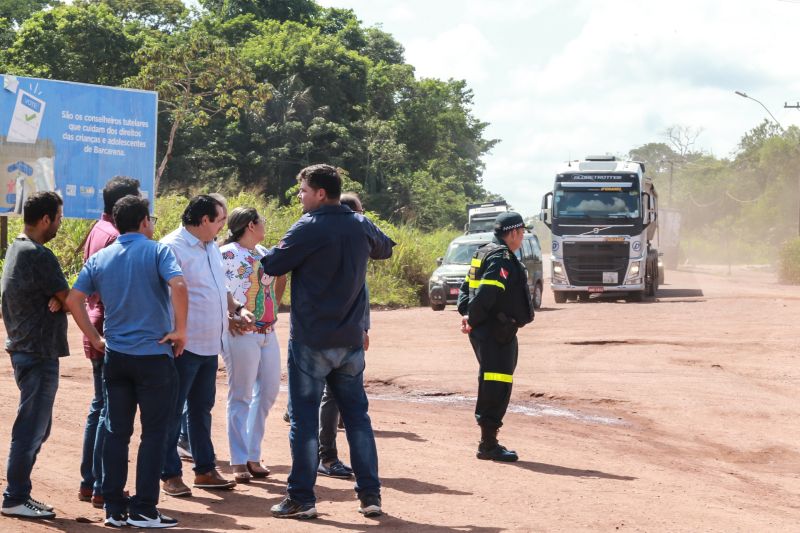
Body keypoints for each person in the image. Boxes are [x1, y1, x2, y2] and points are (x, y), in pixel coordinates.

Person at [261, 164, 395, 519]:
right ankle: (370, 496)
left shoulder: (306, 227)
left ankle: (302, 498)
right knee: (357, 419)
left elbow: (273, 265)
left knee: (304, 421)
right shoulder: (359, 223)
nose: (300, 197)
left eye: (304, 191)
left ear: (321, 193)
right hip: (350, 340)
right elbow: (385, 250)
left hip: (312, 340)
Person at [66, 195, 188, 528]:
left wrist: (94, 338)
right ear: (145, 221)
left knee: (116, 432)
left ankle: (114, 508)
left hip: (116, 357)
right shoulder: (158, 251)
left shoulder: (101, 257)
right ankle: (145, 509)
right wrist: (180, 330)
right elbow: (178, 284)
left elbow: (74, 299)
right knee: (153, 434)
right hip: (153, 357)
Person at [160, 195, 253, 497]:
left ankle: (204, 470)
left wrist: (236, 310)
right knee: (172, 411)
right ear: (203, 221)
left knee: (201, 409)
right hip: (183, 345)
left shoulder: (210, 246)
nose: (223, 227)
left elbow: (218, 287)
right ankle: (170, 474)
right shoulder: (171, 246)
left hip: (210, 343)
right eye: (220, 221)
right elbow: (168, 294)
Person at [0, 191, 68, 520]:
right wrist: (62, 300)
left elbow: (59, 296)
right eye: (58, 217)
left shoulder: (17, 247)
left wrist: (57, 299)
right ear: (45, 219)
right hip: (37, 352)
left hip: (26, 350)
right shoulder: (40, 256)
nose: (59, 223)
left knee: (38, 427)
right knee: (31, 428)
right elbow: (69, 297)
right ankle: (15, 497)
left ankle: (19, 493)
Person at [78, 176, 141, 508]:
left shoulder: (98, 229)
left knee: (100, 408)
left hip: (97, 325)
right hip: (109, 331)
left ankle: (90, 482)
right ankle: (102, 485)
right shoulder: (116, 237)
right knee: (110, 413)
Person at [457, 211, 535, 462]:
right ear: (512, 232)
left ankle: (489, 441)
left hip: (490, 330)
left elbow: (465, 289)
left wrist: (468, 315)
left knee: (494, 382)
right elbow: (486, 294)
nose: (522, 238)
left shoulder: (483, 252)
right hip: (495, 333)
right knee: (496, 383)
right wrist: (473, 318)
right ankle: (488, 443)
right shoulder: (500, 257)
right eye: (521, 233)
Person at [219, 207, 286, 482]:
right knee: (241, 395)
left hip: (268, 332)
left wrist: (275, 307)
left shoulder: (263, 253)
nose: (264, 225)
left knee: (268, 391)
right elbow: (213, 289)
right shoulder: (225, 254)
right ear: (250, 225)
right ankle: (238, 459)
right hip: (240, 332)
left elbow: (280, 279)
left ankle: (252, 454)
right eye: (261, 221)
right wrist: (227, 317)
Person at [316, 192, 368, 480]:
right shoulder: (340, 241)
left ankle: (323, 456)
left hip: (347, 334)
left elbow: (363, 293)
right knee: (331, 397)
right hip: (331, 337)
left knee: (333, 397)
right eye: (359, 211)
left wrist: (364, 327)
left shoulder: (351, 242)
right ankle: (325, 456)